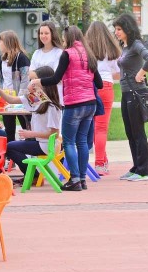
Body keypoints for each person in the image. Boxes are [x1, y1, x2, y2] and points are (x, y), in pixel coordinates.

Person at [29, 26, 102, 192]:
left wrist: (38, 82)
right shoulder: (89, 55)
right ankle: (82, 179)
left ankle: (74, 178)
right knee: (82, 141)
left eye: (64, 38)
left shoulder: (67, 54)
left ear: (68, 38)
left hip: (74, 103)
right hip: (90, 104)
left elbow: (55, 78)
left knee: (69, 141)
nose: (62, 41)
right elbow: (99, 83)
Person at [0, 66, 62, 186]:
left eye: (34, 80)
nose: (31, 83)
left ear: (44, 82)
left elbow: (54, 134)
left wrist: (32, 134)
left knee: (10, 147)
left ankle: (33, 176)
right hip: (40, 142)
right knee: (13, 144)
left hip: (47, 145)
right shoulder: (38, 99)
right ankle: (31, 175)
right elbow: (12, 100)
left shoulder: (51, 106)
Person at [114, 13, 148, 182]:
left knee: (138, 132)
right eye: (115, 29)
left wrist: (141, 73)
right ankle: (136, 167)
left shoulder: (136, 45)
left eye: (119, 29)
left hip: (135, 93)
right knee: (130, 132)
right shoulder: (125, 47)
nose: (116, 32)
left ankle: (144, 171)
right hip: (126, 93)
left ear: (127, 30)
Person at [85, 21, 121, 175]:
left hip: (89, 87)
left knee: (92, 127)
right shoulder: (112, 50)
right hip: (106, 86)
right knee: (101, 128)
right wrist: (107, 74)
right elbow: (119, 73)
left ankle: (102, 160)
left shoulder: (86, 50)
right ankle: (100, 163)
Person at [0, 30, 31, 142]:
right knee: (9, 130)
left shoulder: (22, 58)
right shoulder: (1, 58)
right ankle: (10, 156)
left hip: (20, 101)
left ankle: (31, 154)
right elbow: (2, 79)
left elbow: (25, 81)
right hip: (6, 99)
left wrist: (19, 100)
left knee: (27, 129)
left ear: (8, 42)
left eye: (0, 41)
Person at [30, 21, 63, 104]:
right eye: (41, 33)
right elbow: (31, 74)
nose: (43, 36)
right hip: (39, 95)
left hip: (55, 95)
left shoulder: (59, 53)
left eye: (46, 33)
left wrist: (38, 78)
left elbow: (56, 77)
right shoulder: (36, 53)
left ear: (52, 34)